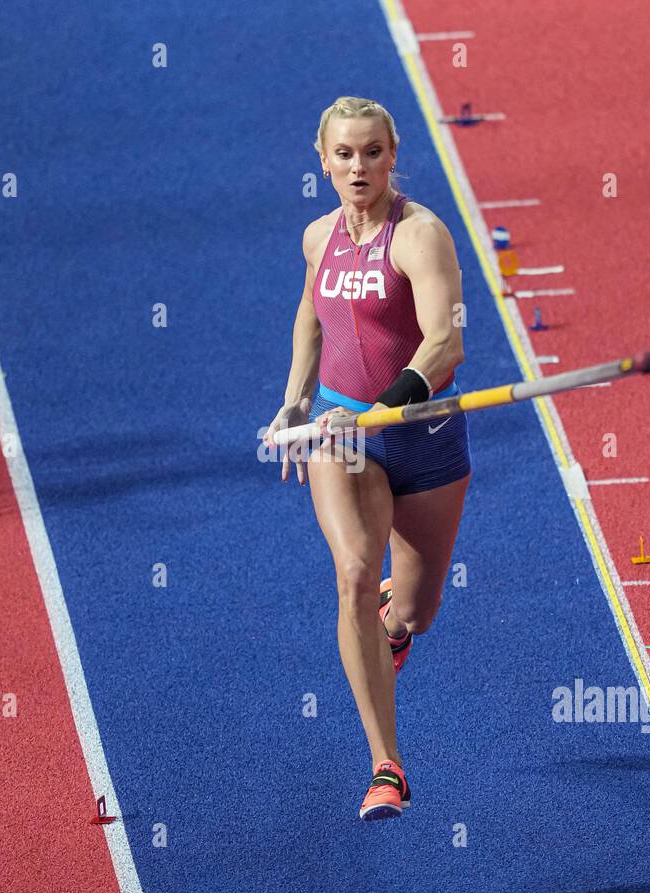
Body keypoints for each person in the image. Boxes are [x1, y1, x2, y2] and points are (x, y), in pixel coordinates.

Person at [262, 96, 472, 821]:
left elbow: (445, 344)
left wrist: (390, 403)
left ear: (393, 155)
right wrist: (296, 403)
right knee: (355, 571)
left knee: (419, 607)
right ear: (323, 160)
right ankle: (388, 765)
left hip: (425, 435)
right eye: (345, 154)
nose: (359, 166)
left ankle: (396, 624)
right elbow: (311, 317)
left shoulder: (420, 236)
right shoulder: (318, 237)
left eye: (373, 152)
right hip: (341, 432)